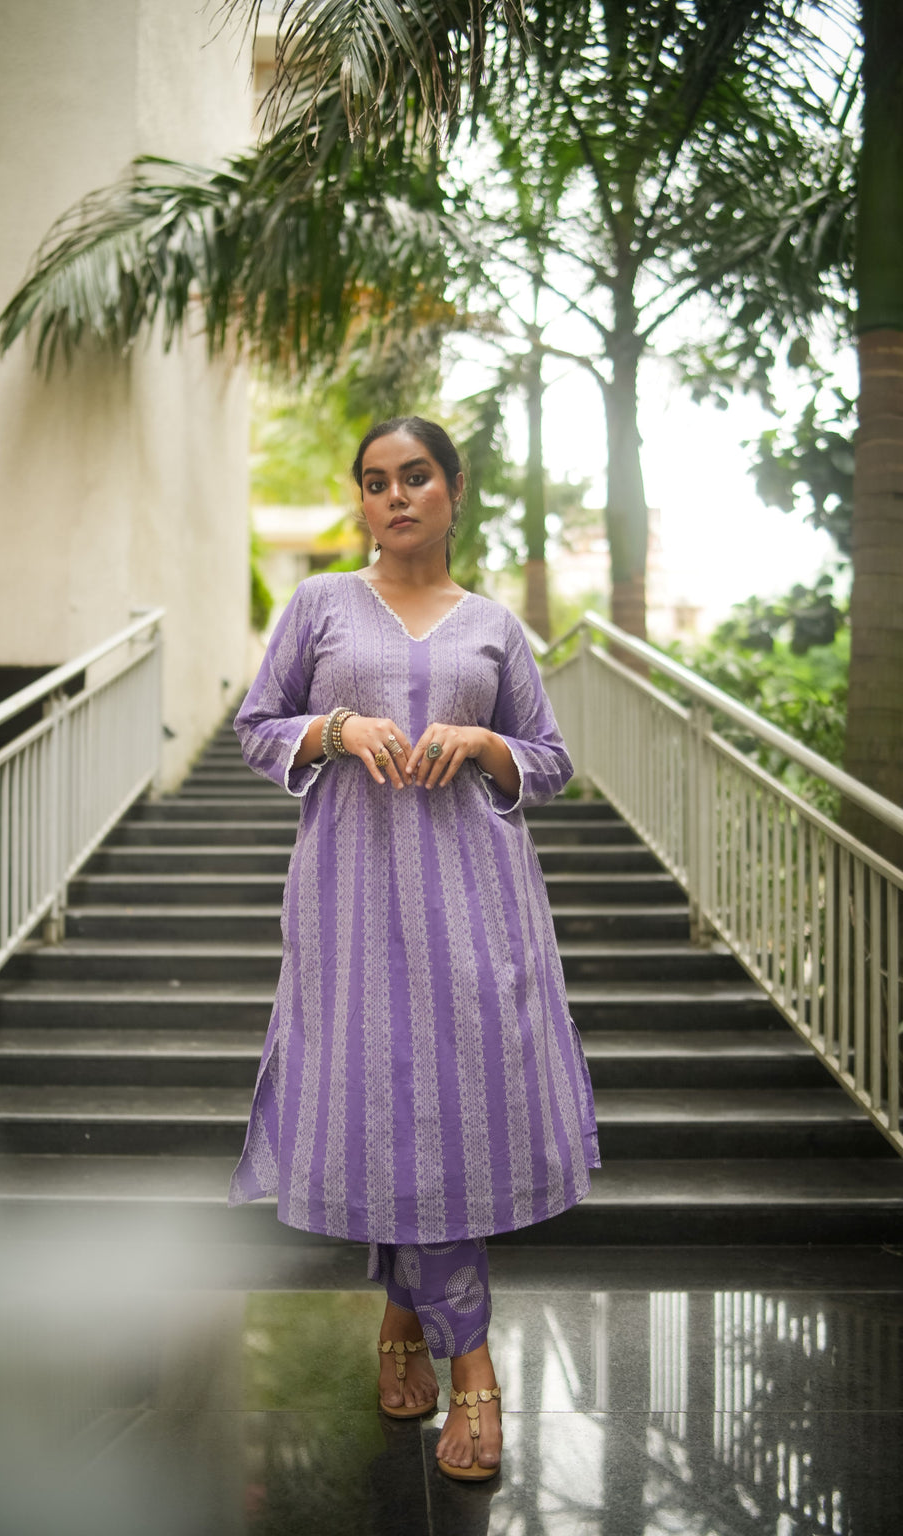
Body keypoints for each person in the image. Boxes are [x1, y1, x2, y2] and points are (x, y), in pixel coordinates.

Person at [230, 416, 600, 1481]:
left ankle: (405, 1318)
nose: (396, 497)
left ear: (452, 490)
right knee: (385, 1101)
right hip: (349, 902)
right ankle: (471, 1366)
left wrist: (484, 743)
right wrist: (332, 730)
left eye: (417, 478)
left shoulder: (492, 626)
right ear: (363, 502)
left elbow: (551, 760)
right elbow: (259, 726)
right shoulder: (318, 607)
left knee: (441, 1108)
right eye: (377, 482)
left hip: (476, 903)